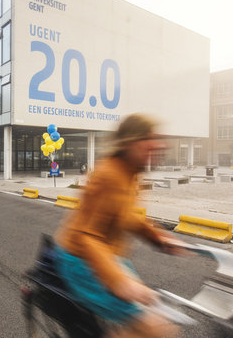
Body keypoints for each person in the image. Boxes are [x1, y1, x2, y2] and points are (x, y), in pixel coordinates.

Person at [54, 113, 187, 338]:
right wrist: (119, 282)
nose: (158, 146)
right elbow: (87, 237)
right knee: (153, 326)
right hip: (81, 260)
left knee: (151, 313)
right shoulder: (109, 175)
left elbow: (127, 217)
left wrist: (156, 237)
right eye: (149, 140)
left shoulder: (130, 174)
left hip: (109, 257)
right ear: (130, 143)